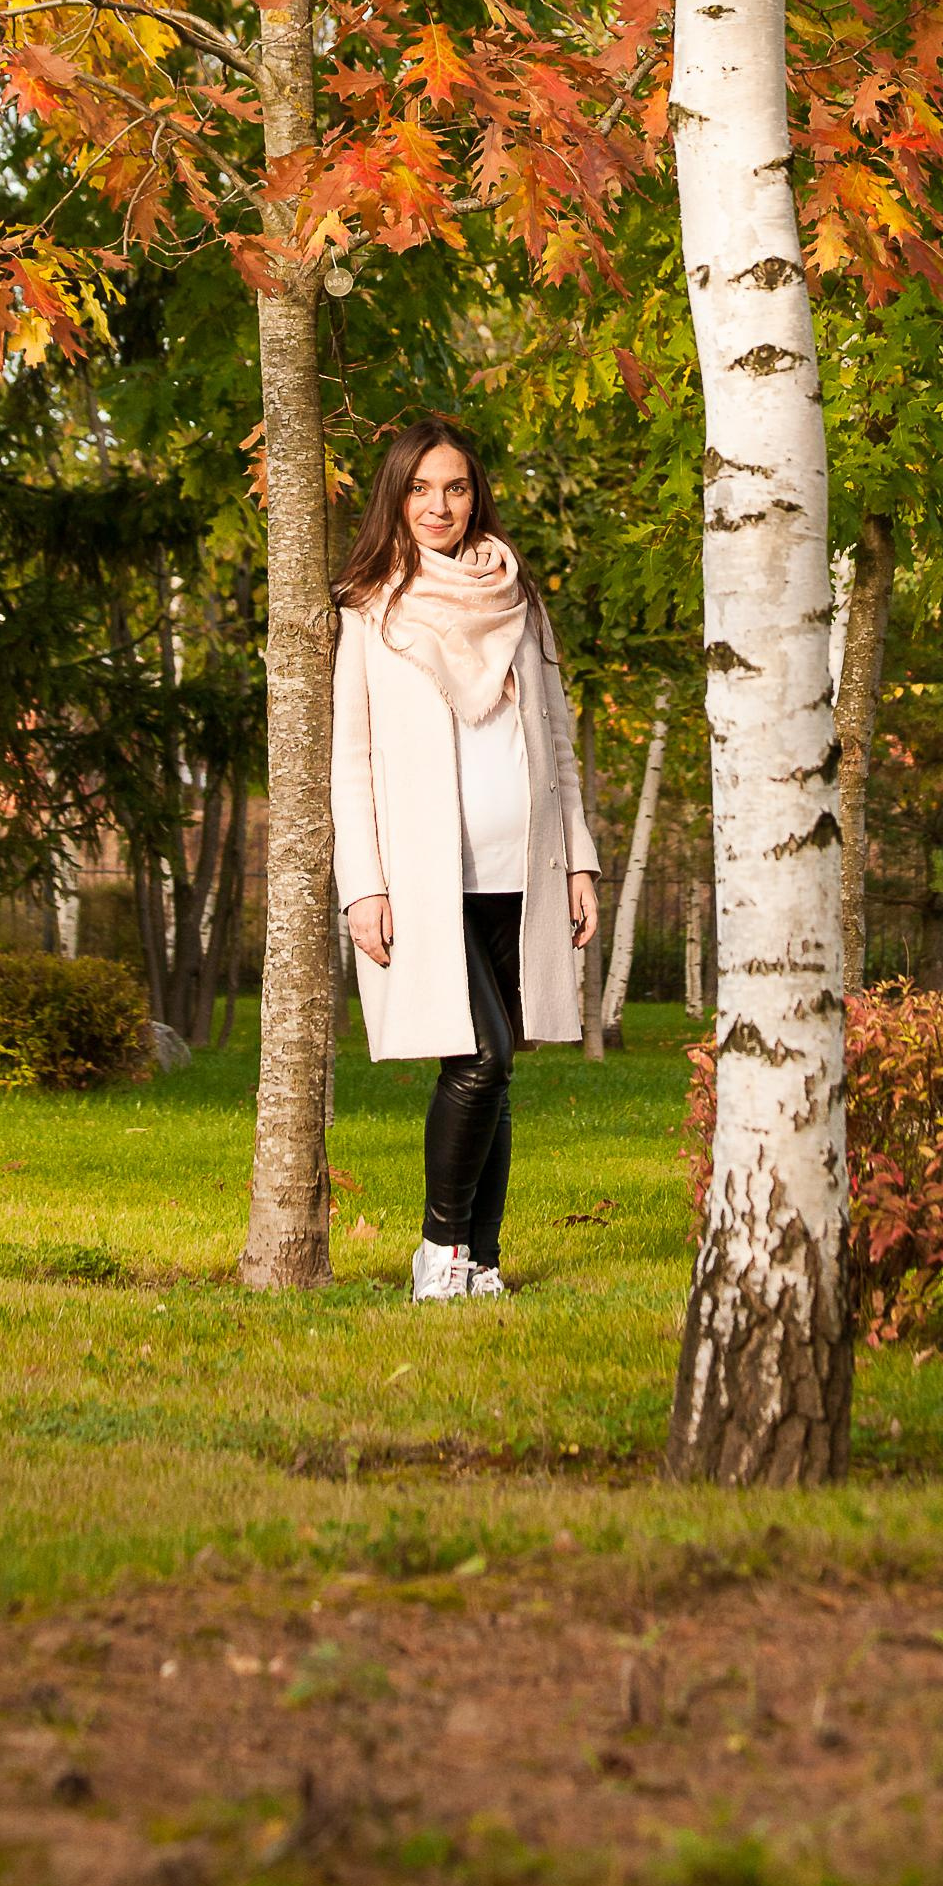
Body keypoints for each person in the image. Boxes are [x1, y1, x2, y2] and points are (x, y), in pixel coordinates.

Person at [330, 416, 601, 1300]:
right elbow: (353, 760)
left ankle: (481, 1263)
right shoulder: (372, 609)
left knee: (498, 1069)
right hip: (424, 879)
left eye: (454, 487)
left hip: (522, 869)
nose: (439, 505)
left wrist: (580, 863)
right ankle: (440, 1251)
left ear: (474, 493)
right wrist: (362, 885)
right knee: (480, 1057)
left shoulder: (517, 600)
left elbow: (558, 741)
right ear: (395, 499)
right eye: (419, 489)